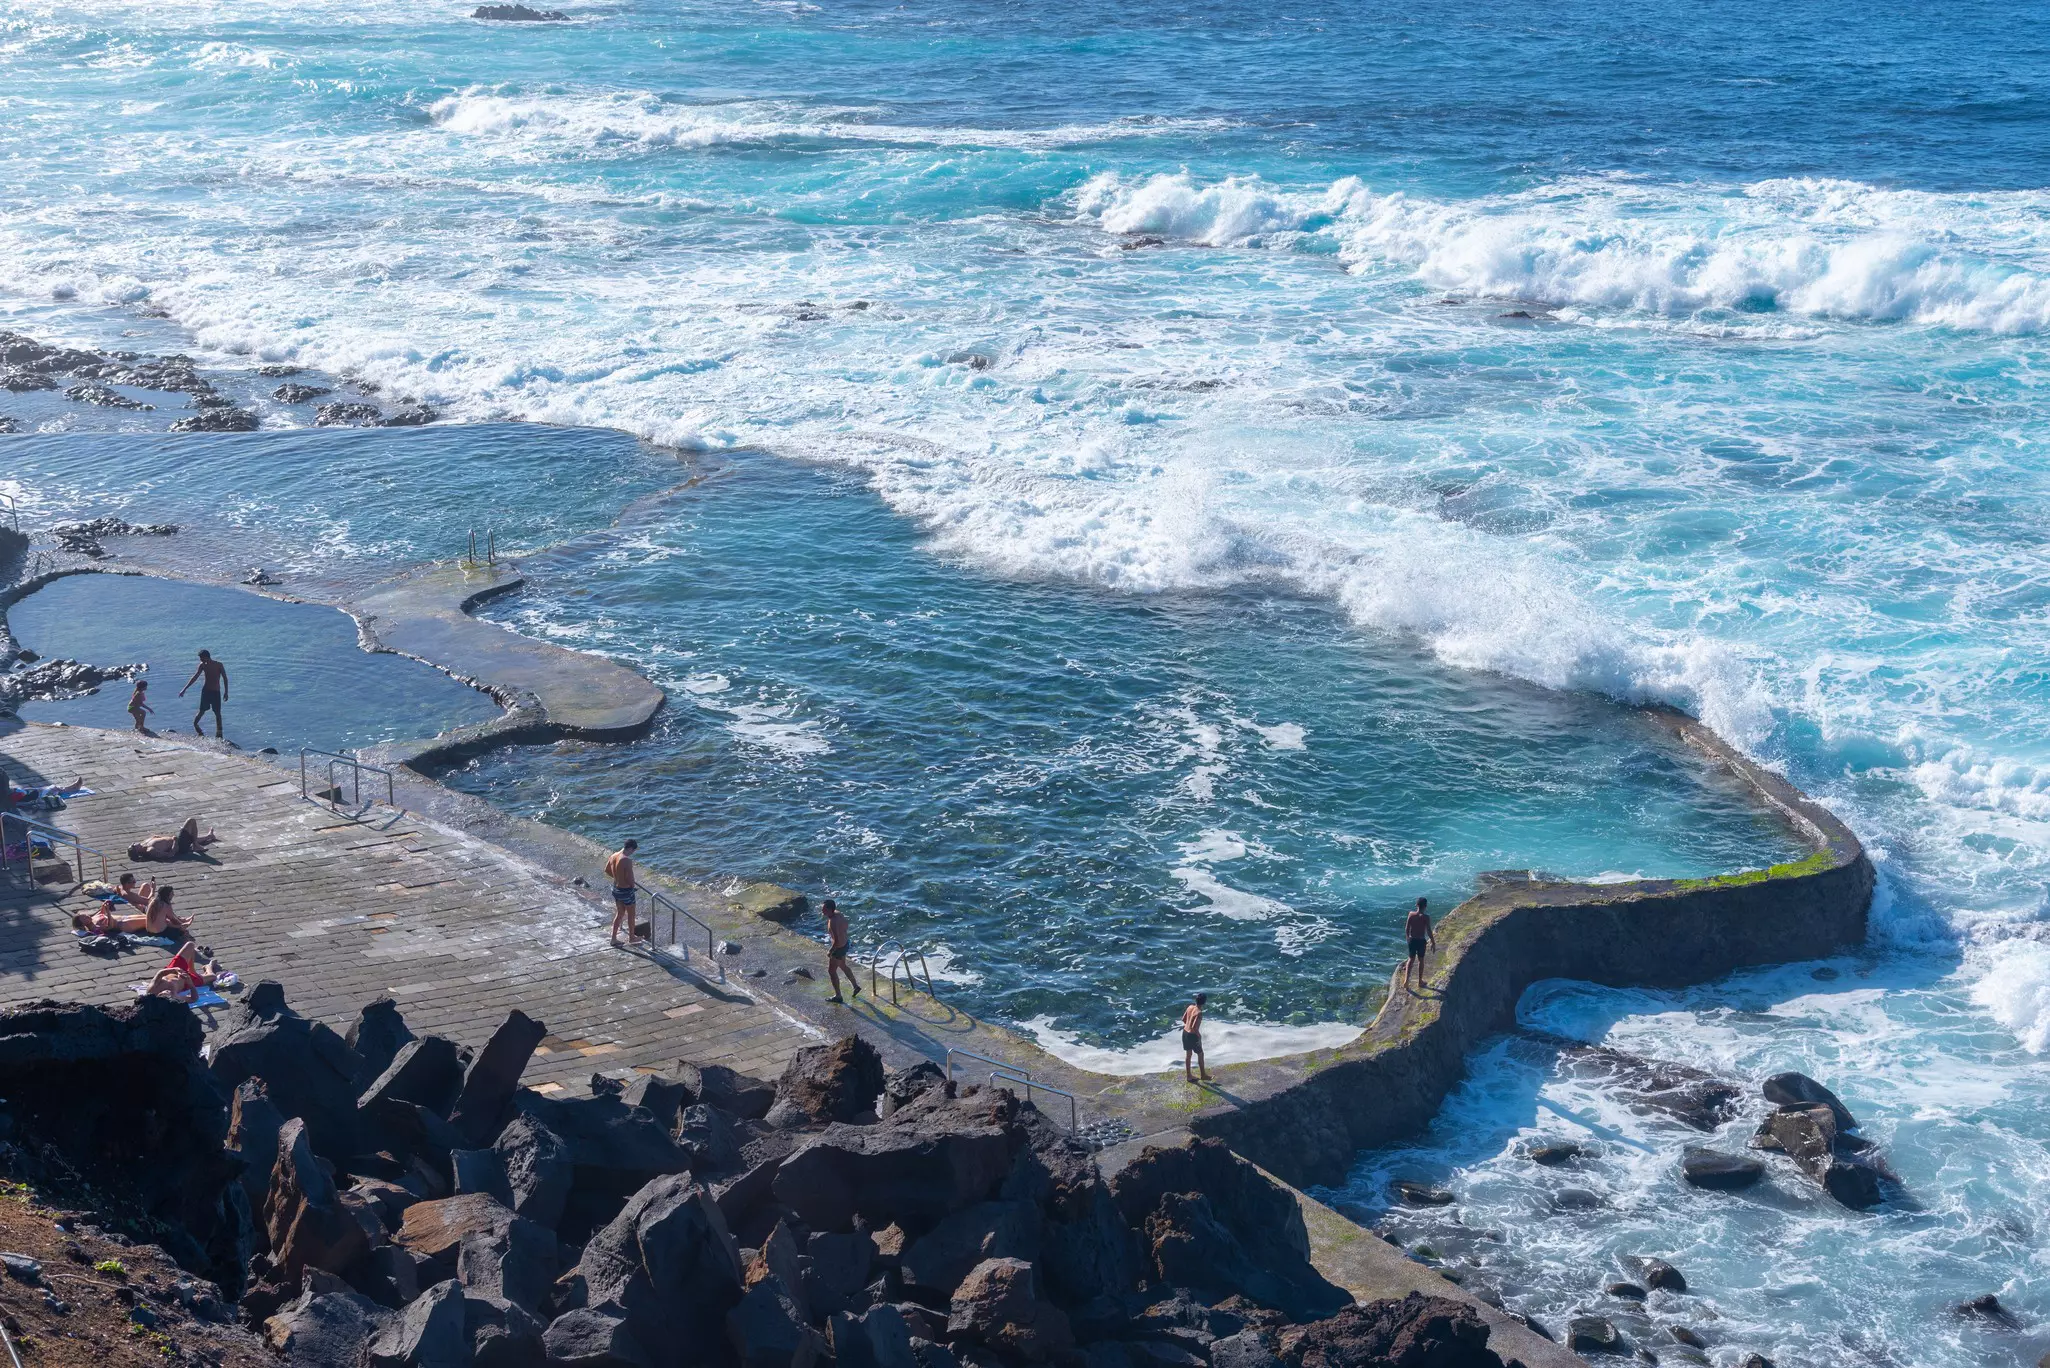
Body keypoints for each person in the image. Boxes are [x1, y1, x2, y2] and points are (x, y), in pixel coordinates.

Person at [146, 940, 222, 1004]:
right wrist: (190, 983)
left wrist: (174, 969)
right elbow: (193, 999)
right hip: (186, 981)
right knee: (213, 977)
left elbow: (160, 973)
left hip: (174, 969)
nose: (166, 991)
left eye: (162, 994)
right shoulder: (175, 996)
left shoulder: (152, 990)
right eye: (168, 994)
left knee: (190, 944)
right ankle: (208, 967)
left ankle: (193, 971)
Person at [179, 649, 228, 738]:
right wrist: (184, 689)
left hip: (216, 692)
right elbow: (195, 677)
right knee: (202, 711)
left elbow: (225, 678)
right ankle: (195, 724)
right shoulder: (202, 666)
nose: (201, 660)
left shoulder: (219, 665)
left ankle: (219, 733)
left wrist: (226, 692)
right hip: (206, 691)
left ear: (206, 657)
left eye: (201, 658)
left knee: (217, 713)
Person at [129, 817, 217, 863]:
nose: (134, 843)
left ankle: (209, 836)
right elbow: (170, 855)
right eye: (133, 845)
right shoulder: (150, 850)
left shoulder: (144, 843)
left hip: (177, 841)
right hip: (180, 846)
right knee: (191, 821)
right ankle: (196, 845)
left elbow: (157, 839)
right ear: (136, 850)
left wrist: (157, 837)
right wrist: (174, 842)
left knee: (190, 836)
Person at [604, 839, 639, 947]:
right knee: (631, 914)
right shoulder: (626, 860)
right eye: (633, 851)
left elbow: (607, 870)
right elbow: (631, 879)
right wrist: (633, 887)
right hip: (625, 891)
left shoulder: (613, 856)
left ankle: (613, 939)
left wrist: (618, 878)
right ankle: (632, 938)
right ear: (631, 848)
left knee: (620, 913)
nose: (632, 853)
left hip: (616, 889)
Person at [824, 899, 860, 1004]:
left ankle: (838, 996)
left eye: (824, 909)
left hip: (838, 949)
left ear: (830, 909)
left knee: (831, 971)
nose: (822, 912)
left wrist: (830, 951)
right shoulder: (838, 914)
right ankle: (855, 986)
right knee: (843, 966)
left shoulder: (832, 922)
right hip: (845, 944)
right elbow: (846, 926)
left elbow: (836, 940)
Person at [1404, 896, 1436, 991]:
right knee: (1420, 960)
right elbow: (1429, 931)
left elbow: (1407, 928)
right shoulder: (1426, 917)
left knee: (1410, 959)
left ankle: (1406, 981)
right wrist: (1433, 942)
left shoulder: (1411, 914)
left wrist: (1407, 938)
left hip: (1412, 940)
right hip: (1421, 941)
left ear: (1416, 905)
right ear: (1425, 906)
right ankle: (1420, 981)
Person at [1181, 992, 1210, 1083]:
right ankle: (1203, 1075)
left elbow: (1183, 1019)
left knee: (1188, 1055)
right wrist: (1199, 1038)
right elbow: (1194, 1028)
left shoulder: (1190, 1007)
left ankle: (1189, 1076)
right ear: (1204, 1002)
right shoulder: (1199, 1013)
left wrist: (1189, 1026)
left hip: (1185, 1032)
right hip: (1192, 1036)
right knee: (1200, 1054)